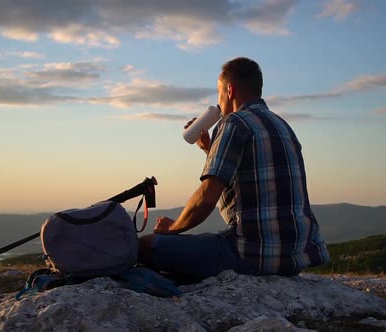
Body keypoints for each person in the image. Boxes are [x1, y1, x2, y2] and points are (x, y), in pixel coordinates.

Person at [138, 57, 329, 280]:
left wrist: (173, 229)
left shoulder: (234, 123)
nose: (218, 101)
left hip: (251, 255)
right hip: (295, 257)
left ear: (230, 90)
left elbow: (206, 199)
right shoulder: (282, 125)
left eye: (219, 93)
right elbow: (247, 168)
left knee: (147, 246)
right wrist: (210, 150)